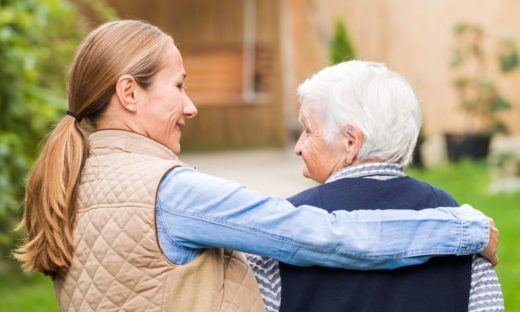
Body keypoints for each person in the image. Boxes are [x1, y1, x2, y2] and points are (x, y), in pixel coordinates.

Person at [14, 21, 498, 312]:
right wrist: (465, 229)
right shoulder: (170, 192)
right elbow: (323, 235)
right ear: (129, 93)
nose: (191, 106)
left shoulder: (76, 178)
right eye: (179, 86)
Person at [247, 61, 503, 312]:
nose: (298, 147)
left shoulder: (280, 230)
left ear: (351, 141)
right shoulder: (461, 224)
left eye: (308, 130)